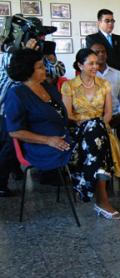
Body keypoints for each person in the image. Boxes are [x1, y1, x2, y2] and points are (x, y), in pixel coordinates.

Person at [0, 18, 60, 197]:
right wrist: (26, 53)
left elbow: (57, 72)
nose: (40, 40)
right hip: (7, 107)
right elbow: (17, 75)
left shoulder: (39, 55)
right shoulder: (10, 54)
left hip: (32, 108)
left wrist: (51, 58)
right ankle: (1, 182)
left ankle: (47, 174)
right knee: (9, 146)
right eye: (37, 36)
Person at [61, 48, 120, 219]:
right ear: (80, 65)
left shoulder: (104, 84)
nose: (96, 66)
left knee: (97, 130)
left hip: (101, 128)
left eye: (97, 63)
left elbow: (108, 113)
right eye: (91, 63)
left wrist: (98, 124)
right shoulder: (69, 86)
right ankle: (102, 201)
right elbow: (68, 115)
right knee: (95, 135)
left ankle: (87, 187)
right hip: (78, 129)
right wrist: (85, 123)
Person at [4, 48, 72, 188]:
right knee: (88, 150)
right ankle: (94, 192)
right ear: (28, 70)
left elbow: (60, 115)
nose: (45, 70)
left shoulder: (48, 87)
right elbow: (15, 131)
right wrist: (48, 140)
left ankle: (93, 188)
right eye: (40, 67)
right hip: (40, 146)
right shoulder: (17, 94)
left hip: (63, 136)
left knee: (96, 133)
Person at [86, 9, 120, 75]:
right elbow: (94, 58)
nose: (111, 23)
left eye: (112, 21)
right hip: (103, 75)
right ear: (99, 22)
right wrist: (112, 73)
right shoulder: (92, 38)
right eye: (107, 21)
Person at [89, 43, 120, 115]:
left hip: (116, 114)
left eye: (103, 52)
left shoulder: (117, 74)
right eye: (97, 52)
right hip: (94, 117)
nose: (101, 54)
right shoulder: (87, 75)